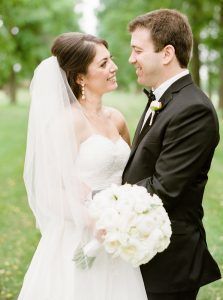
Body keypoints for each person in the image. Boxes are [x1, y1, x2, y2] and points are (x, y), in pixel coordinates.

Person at [18, 32, 148, 300]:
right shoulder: (67, 123)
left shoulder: (117, 119)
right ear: (79, 77)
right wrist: (94, 219)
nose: (113, 67)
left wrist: (129, 213)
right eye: (102, 64)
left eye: (110, 60)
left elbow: (130, 177)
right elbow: (48, 192)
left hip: (118, 238)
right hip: (79, 237)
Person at [122, 9, 221, 300]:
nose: (131, 59)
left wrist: (105, 199)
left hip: (169, 263)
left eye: (137, 50)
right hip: (145, 253)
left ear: (166, 53)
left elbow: (164, 188)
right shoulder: (163, 97)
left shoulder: (194, 109)